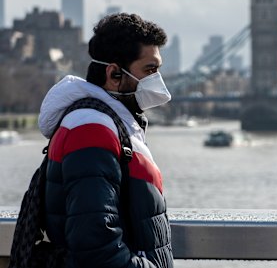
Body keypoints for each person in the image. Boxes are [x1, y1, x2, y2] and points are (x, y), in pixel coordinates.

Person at [37, 13, 174, 267]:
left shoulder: (109, 123)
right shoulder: (91, 129)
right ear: (114, 74)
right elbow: (97, 246)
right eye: (150, 70)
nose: (158, 81)